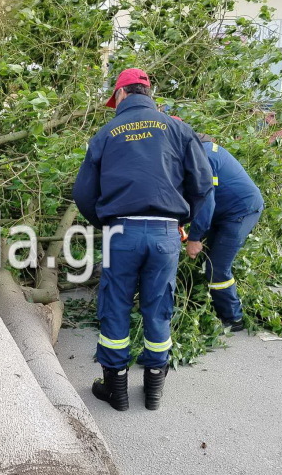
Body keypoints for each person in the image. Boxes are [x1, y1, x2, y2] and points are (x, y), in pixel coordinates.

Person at [72, 68, 213, 412]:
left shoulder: (105, 134)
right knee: (158, 306)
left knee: (116, 305)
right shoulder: (178, 129)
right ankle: (153, 390)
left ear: (120, 95)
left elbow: (83, 193)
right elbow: (204, 186)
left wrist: (104, 222)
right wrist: (195, 231)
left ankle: (115, 390)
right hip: (166, 233)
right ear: (149, 94)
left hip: (122, 231)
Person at [186, 135, 264, 331]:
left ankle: (233, 318)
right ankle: (214, 303)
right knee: (208, 256)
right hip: (223, 210)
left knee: (216, 267)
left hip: (240, 212)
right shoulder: (199, 149)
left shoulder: (202, 158)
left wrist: (194, 238)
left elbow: (206, 201)